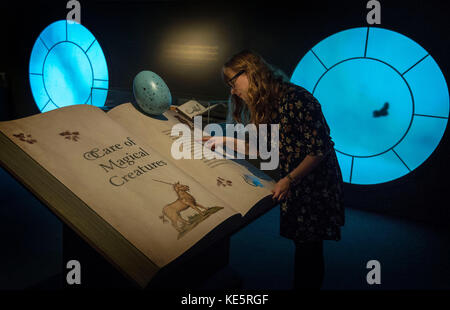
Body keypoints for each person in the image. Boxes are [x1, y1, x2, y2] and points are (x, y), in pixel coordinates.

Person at [202, 50, 345, 289]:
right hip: (296, 181)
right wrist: (222, 141)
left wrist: (289, 179)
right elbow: (265, 149)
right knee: (303, 244)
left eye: (232, 82)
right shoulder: (268, 103)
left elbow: (319, 150)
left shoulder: (298, 99)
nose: (232, 90)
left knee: (309, 247)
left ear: (249, 73)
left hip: (315, 183)